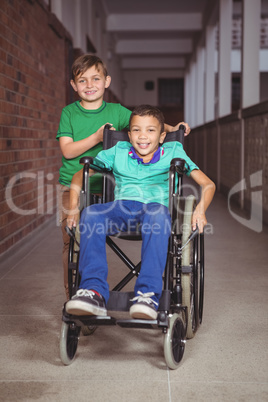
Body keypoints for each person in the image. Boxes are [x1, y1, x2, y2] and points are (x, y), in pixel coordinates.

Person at [56, 54, 191, 299]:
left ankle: (146, 292)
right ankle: (76, 295)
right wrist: (96, 138)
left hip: (111, 185)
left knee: (100, 222)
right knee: (72, 240)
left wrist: (173, 130)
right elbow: (67, 150)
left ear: (106, 82)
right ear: (74, 85)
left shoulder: (117, 111)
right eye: (82, 80)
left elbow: (147, 123)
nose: (89, 85)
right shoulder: (69, 113)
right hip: (75, 183)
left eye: (95, 79)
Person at [65, 105, 215, 320]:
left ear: (162, 136)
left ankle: (147, 294)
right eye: (136, 130)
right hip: (120, 210)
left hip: (155, 213)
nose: (142, 136)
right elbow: (80, 176)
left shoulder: (173, 151)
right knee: (91, 213)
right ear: (129, 134)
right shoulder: (118, 151)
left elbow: (208, 184)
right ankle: (93, 292)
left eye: (150, 130)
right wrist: (72, 209)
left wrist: (200, 209)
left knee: (156, 214)